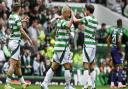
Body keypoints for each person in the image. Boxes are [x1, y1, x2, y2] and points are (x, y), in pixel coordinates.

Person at [40, 6, 75, 89]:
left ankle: (44, 83)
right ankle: (68, 86)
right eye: (69, 12)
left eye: (70, 12)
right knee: (67, 66)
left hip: (59, 47)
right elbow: (68, 25)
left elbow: (71, 34)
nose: (70, 14)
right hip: (62, 47)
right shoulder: (63, 21)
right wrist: (73, 17)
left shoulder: (60, 20)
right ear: (65, 13)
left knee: (54, 66)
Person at [4, 2, 32, 89]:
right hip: (15, 42)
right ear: (18, 9)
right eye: (20, 8)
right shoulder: (16, 17)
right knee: (12, 65)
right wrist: (29, 39)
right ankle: (7, 84)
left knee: (18, 64)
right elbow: (21, 30)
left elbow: (15, 23)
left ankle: (23, 83)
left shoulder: (11, 16)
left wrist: (23, 20)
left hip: (11, 42)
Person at [72, 4, 98, 89]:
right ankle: (93, 85)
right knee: (92, 66)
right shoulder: (95, 19)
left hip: (88, 45)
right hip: (93, 44)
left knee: (86, 65)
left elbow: (75, 20)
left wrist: (72, 12)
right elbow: (87, 21)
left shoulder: (87, 19)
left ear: (88, 10)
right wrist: (84, 13)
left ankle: (86, 86)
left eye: (86, 10)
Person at [107, 19, 126, 88]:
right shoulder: (120, 30)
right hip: (116, 49)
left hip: (112, 49)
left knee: (114, 67)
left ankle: (112, 84)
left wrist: (109, 50)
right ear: (121, 23)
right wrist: (120, 50)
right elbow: (119, 40)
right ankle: (120, 83)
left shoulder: (113, 30)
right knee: (120, 66)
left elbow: (107, 39)